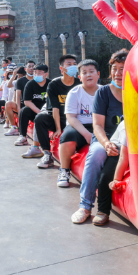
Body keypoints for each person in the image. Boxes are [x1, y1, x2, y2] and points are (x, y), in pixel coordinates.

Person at [72, 49, 127, 226]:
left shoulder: (137, 92)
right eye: (115, 69)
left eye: (122, 69)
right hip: (106, 138)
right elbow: (97, 125)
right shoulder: (103, 93)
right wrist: (106, 143)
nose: (118, 73)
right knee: (96, 154)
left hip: (128, 141)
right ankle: (85, 205)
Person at [55, 59, 100, 188]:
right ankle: (64, 170)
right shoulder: (74, 93)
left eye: (91, 71)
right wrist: (86, 134)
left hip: (99, 125)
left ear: (98, 74)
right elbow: (71, 117)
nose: (88, 75)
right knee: (68, 136)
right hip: (79, 125)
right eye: (84, 72)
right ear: (79, 77)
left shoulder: (105, 91)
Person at [34, 55, 79, 169]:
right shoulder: (54, 84)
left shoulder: (79, 83)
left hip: (75, 120)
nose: (73, 66)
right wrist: (58, 129)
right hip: (58, 118)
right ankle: (47, 153)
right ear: (61, 68)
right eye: (69, 64)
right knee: (40, 118)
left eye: (74, 64)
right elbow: (55, 108)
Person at [18, 64, 49, 152]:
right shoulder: (30, 84)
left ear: (46, 74)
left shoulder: (51, 84)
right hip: (34, 109)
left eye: (39, 72)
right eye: (35, 72)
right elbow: (27, 101)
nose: (36, 74)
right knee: (24, 111)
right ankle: (23, 136)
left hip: (47, 110)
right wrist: (39, 112)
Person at [5, 63, 34, 138]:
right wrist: (18, 109)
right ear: (26, 69)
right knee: (8, 104)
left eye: (33, 66)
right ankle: (13, 127)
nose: (31, 68)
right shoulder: (20, 81)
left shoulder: (39, 80)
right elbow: (17, 96)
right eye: (29, 66)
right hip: (22, 104)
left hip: (34, 104)